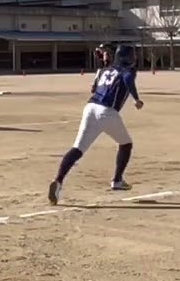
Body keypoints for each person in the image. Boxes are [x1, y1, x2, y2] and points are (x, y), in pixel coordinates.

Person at [48, 43, 142, 205]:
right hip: (107, 111)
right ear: (128, 57)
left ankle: (58, 181)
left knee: (78, 148)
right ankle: (117, 180)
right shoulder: (127, 70)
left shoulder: (106, 69)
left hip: (90, 107)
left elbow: (96, 87)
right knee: (126, 144)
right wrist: (136, 98)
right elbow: (127, 79)